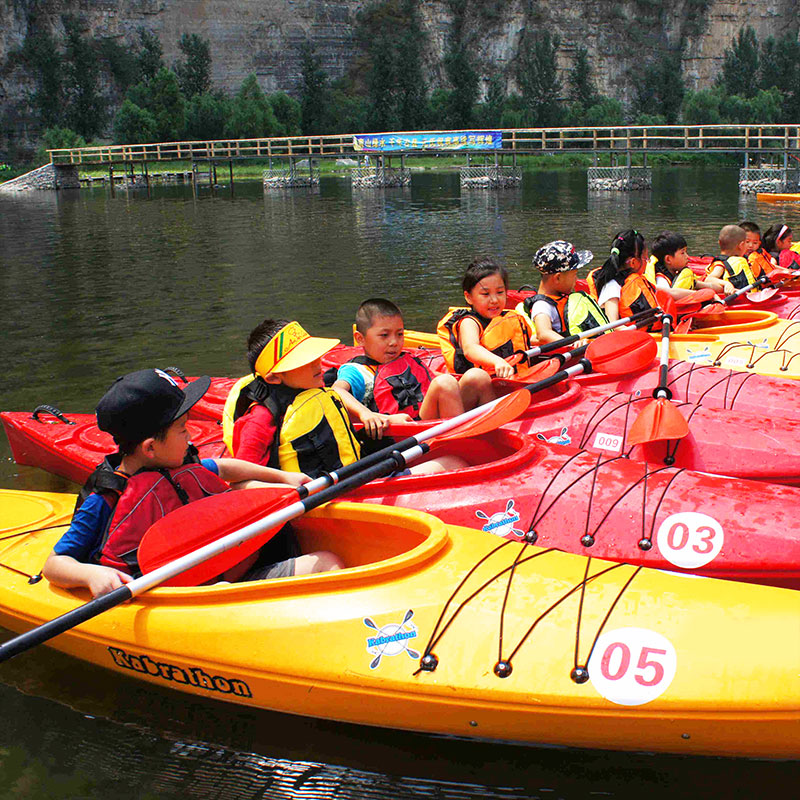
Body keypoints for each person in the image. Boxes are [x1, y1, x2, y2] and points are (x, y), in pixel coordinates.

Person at [43, 369, 341, 599]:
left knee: (328, 561)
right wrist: (89, 576)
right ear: (150, 448)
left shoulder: (181, 464)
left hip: (230, 573)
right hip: (180, 600)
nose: (190, 437)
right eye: (183, 429)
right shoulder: (106, 497)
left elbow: (225, 467)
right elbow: (55, 564)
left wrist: (283, 477)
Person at [226, 319, 467, 477]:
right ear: (274, 378)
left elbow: (340, 428)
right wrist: (286, 480)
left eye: (314, 355)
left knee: (448, 457)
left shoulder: (315, 390)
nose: (317, 363)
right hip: (333, 496)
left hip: (354, 473)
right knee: (452, 464)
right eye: (304, 361)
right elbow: (241, 480)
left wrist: (387, 421)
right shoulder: (260, 419)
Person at [333, 298, 493, 420]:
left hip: (431, 414)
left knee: (477, 376)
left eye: (400, 334)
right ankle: (463, 443)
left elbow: (431, 381)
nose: (394, 342)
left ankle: (493, 429)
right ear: (360, 339)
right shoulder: (356, 371)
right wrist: (366, 414)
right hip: (408, 428)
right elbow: (336, 391)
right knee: (445, 383)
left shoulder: (407, 359)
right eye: (384, 335)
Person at [437, 257, 535, 380]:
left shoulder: (507, 318)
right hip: (478, 385)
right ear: (469, 297)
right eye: (485, 294)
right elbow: (470, 348)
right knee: (477, 377)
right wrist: (497, 361)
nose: (494, 300)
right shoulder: (469, 322)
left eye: (500, 292)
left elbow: (527, 339)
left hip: (514, 378)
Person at [514, 240, 606, 344]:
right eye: (574, 274)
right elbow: (543, 333)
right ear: (558, 278)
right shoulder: (542, 305)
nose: (576, 279)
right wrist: (571, 344)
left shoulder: (559, 297)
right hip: (567, 352)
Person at [586, 230, 660, 324]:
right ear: (633, 262)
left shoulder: (634, 280)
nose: (647, 262)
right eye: (646, 258)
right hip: (627, 335)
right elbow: (612, 324)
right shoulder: (612, 286)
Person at [646, 231, 732, 299]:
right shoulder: (661, 279)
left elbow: (709, 286)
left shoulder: (678, 274)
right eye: (682, 253)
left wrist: (726, 285)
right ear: (668, 259)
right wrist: (704, 295)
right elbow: (669, 293)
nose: (687, 256)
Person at [705, 224, 760, 290]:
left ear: (719, 243)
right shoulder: (721, 264)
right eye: (746, 242)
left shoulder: (742, 260)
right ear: (741, 245)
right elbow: (709, 279)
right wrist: (726, 284)